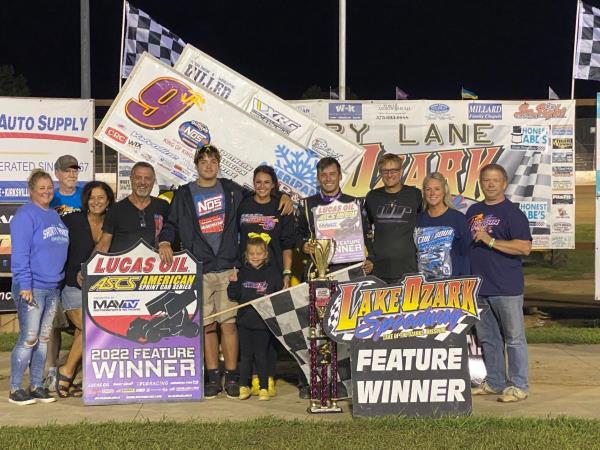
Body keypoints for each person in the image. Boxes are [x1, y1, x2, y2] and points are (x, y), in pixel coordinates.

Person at [158, 144, 293, 399]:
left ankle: (232, 376)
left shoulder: (232, 190)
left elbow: (262, 196)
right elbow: (172, 224)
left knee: (229, 324)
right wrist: (164, 241)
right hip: (201, 268)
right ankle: (212, 376)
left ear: (218, 165)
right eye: (204, 162)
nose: (208, 166)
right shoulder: (185, 194)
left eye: (213, 161)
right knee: (208, 325)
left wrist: (283, 195)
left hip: (229, 267)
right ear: (196, 165)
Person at [467, 163, 532, 403]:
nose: (491, 184)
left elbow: (525, 247)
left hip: (506, 287)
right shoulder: (473, 211)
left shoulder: (512, 213)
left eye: (495, 180)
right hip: (480, 288)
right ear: (481, 183)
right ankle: (495, 382)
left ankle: (518, 385)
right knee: (489, 339)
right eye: (486, 180)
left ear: (504, 184)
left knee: (514, 339)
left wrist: (490, 241)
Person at [9, 169, 69, 405]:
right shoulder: (25, 215)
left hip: (53, 287)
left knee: (43, 339)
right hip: (32, 287)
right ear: (31, 191)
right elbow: (21, 253)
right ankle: (15, 389)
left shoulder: (54, 215)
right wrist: (25, 284)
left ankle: (36, 385)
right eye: (41, 188)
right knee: (29, 339)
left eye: (49, 187)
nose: (46, 191)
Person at [237, 165, 295, 396]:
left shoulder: (281, 206)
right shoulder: (244, 204)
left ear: (274, 185)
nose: (262, 186)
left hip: (272, 274)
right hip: (247, 273)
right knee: (247, 327)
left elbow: (288, 244)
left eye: (267, 182)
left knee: (269, 329)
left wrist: (287, 274)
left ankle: (267, 376)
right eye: (258, 182)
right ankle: (250, 377)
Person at [57, 181, 115, 398]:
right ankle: (67, 371)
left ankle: (79, 375)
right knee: (90, 327)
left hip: (101, 290)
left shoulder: (113, 222)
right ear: (86, 201)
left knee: (88, 330)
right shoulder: (71, 220)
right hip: (73, 286)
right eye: (92, 197)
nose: (96, 202)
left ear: (108, 200)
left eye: (101, 197)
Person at [297, 157, 373, 278]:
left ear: (340, 176)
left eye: (332, 174)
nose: (328, 179)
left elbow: (367, 236)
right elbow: (297, 234)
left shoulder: (355, 203)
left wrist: (370, 259)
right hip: (319, 271)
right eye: (323, 175)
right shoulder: (306, 204)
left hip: (352, 269)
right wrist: (302, 245)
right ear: (318, 178)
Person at [227, 237, 283, 401]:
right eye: (252, 253)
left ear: (265, 254)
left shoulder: (273, 273)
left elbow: (278, 294)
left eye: (259, 253)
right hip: (244, 321)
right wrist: (234, 283)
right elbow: (234, 296)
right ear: (246, 254)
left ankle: (264, 387)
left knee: (261, 355)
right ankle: (244, 386)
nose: (255, 256)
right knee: (245, 356)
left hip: (263, 323)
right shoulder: (242, 272)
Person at [45, 154, 83, 392]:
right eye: (66, 170)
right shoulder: (50, 198)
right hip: (53, 267)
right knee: (52, 325)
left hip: (75, 269)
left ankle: (73, 372)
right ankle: (51, 371)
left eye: (74, 170)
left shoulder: (85, 196)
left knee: (82, 324)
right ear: (57, 173)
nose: (71, 174)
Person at [364, 153, 422, 283]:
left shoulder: (415, 195)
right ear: (380, 173)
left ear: (401, 171)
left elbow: (425, 225)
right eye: (385, 171)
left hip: (409, 267)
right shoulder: (372, 197)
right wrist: (370, 258)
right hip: (379, 268)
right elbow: (365, 229)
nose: (389, 175)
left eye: (394, 170)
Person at [96, 162, 169, 253]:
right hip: (123, 266)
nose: (143, 182)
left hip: (155, 265)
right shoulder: (116, 209)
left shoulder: (163, 206)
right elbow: (104, 244)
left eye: (147, 178)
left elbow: (171, 232)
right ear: (131, 179)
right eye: (138, 178)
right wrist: (88, 266)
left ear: (153, 181)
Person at [416, 172, 471, 278]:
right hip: (424, 286)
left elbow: (467, 254)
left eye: (437, 189)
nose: (432, 193)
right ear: (424, 192)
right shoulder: (418, 220)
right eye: (428, 189)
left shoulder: (458, 218)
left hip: (452, 285)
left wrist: (464, 282)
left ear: (444, 191)